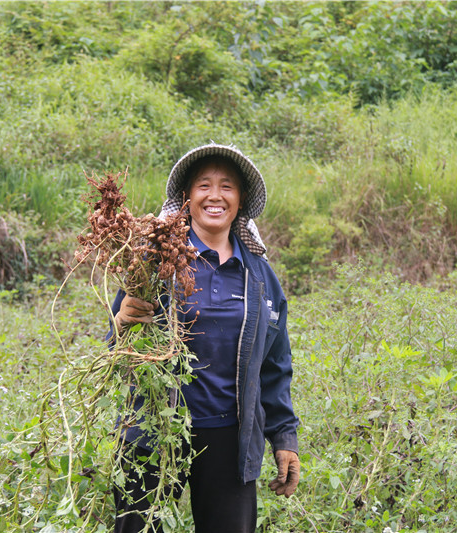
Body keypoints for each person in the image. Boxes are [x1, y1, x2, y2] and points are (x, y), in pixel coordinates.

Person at [109, 143, 300, 533]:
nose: (215, 196)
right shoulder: (154, 262)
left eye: (227, 186)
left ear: (240, 200)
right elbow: (116, 346)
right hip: (151, 430)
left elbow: (275, 364)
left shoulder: (259, 276)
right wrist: (121, 324)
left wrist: (284, 436)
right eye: (204, 185)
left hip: (230, 437)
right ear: (186, 198)